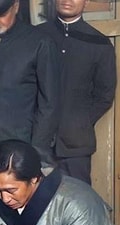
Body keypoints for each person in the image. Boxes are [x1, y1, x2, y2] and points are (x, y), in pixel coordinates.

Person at [0, 0, 60, 165]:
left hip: (19, 142)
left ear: (15, 6)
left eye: (0, 15)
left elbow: (49, 104)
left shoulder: (39, 42)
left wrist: (37, 149)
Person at [37, 0, 117, 185]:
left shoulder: (99, 43)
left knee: (78, 200)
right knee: (38, 204)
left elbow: (104, 95)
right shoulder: (37, 36)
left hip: (76, 145)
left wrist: (79, 122)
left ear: (86, 2)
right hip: (37, 141)